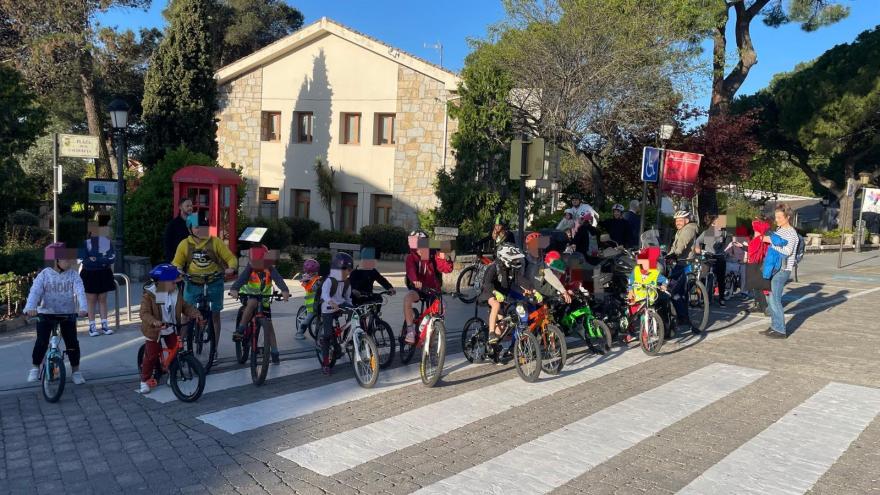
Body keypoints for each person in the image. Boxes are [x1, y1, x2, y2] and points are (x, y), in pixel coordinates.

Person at [171, 213, 237, 362]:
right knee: (186, 315)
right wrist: (178, 270)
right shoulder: (185, 244)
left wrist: (231, 267)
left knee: (215, 315)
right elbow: (177, 262)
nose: (200, 230)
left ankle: (214, 348)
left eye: (204, 227)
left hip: (214, 282)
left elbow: (230, 258)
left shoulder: (215, 242)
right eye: (197, 227)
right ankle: (179, 348)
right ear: (190, 228)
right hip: (193, 283)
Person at [24, 243, 88, 385]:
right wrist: (30, 307)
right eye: (66, 259)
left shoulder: (73, 275)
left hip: (67, 314)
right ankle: (35, 368)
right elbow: (35, 292)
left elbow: (80, 291)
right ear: (56, 261)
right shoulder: (44, 275)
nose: (71, 261)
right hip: (46, 313)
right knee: (42, 341)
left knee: (72, 343)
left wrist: (83, 308)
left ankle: (76, 371)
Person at [138, 264, 203, 394]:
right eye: (174, 281)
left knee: (176, 350)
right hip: (154, 329)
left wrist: (196, 314)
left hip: (170, 326)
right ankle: (144, 380)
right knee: (151, 355)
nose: (176, 284)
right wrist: (155, 322)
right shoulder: (150, 294)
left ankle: (172, 375)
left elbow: (186, 307)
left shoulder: (174, 293)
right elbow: (144, 313)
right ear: (164, 282)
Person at [230, 246, 290, 364]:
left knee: (269, 326)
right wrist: (234, 289)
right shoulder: (250, 267)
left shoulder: (270, 268)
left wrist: (285, 290)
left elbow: (279, 280)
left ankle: (275, 353)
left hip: (264, 299)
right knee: (252, 302)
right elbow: (241, 280)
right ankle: (241, 329)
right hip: (249, 295)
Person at [403, 230, 453, 344]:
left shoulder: (433, 255)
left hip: (433, 289)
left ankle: (430, 342)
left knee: (441, 308)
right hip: (418, 288)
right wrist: (415, 280)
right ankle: (410, 331)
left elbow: (445, 268)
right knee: (407, 299)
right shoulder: (411, 257)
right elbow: (410, 270)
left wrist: (448, 259)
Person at [762, 204, 799, 338]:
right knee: (770, 298)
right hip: (775, 268)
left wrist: (771, 243)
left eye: (779, 217)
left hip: (783, 269)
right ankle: (774, 326)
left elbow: (787, 251)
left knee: (775, 299)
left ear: (787, 217)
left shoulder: (791, 233)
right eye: (775, 217)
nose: (776, 219)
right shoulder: (779, 229)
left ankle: (780, 330)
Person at [482, 244, 531, 345]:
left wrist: (532, 290)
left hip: (502, 296)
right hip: (489, 292)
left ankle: (492, 346)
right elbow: (486, 283)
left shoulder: (511, 269)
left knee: (502, 325)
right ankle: (491, 333)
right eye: (513, 259)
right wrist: (495, 292)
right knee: (496, 304)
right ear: (504, 258)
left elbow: (520, 280)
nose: (516, 262)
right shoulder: (494, 267)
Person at [319, 253, 355, 375]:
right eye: (345, 269)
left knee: (356, 313)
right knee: (328, 335)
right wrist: (331, 302)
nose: (348, 272)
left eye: (349, 270)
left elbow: (348, 298)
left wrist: (352, 307)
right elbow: (325, 295)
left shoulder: (346, 282)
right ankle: (325, 363)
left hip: (340, 304)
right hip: (328, 308)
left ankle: (346, 339)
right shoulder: (329, 280)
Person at [79, 221, 116, 336]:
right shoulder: (85, 243)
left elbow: (111, 257)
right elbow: (83, 260)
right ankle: (92, 327)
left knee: (103, 299)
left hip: (104, 273)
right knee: (91, 300)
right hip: (90, 274)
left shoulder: (107, 242)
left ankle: (105, 325)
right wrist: (101, 260)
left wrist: (97, 260)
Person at [667, 210, 701, 335]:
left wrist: (674, 255)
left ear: (687, 220)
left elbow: (681, 244)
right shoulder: (682, 230)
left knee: (671, 290)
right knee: (679, 293)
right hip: (681, 263)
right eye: (676, 220)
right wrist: (668, 254)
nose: (678, 223)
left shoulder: (688, 229)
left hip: (684, 264)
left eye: (680, 220)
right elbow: (675, 246)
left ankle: (683, 318)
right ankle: (682, 318)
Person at [626, 247, 669, 343]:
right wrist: (630, 290)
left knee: (645, 318)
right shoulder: (636, 270)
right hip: (636, 299)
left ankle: (645, 336)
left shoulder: (654, 273)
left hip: (649, 299)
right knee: (630, 315)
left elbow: (665, 280)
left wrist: (664, 285)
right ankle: (630, 331)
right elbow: (630, 281)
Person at [694, 214, 729, 307]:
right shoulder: (709, 232)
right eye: (721, 221)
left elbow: (726, 244)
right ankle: (701, 298)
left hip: (720, 257)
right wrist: (698, 249)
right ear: (715, 222)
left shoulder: (724, 233)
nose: (724, 223)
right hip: (708, 257)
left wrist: (725, 251)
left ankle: (721, 298)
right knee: (703, 277)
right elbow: (697, 241)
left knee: (721, 279)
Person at [744, 217, 771, 313]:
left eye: (754, 228)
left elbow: (753, 252)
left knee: (758, 287)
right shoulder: (762, 239)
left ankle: (763, 307)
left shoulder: (758, 239)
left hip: (755, 265)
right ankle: (760, 306)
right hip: (760, 264)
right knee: (758, 287)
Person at [297, 258, 321, 340]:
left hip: (318, 303)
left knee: (319, 318)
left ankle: (318, 334)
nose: (313, 273)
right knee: (308, 318)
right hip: (311, 305)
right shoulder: (307, 280)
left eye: (314, 271)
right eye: (311, 272)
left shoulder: (317, 279)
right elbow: (312, 287)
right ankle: (299, 333)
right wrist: (307, 280)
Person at [164, 198, 194, 263]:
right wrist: (173, 261)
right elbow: (168, 244)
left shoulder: (194, 221)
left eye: (191, 206)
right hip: (178, 260)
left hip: (193, 261)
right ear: (180, 207)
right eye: (187, 206)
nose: (190, 208)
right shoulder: (173, 224)